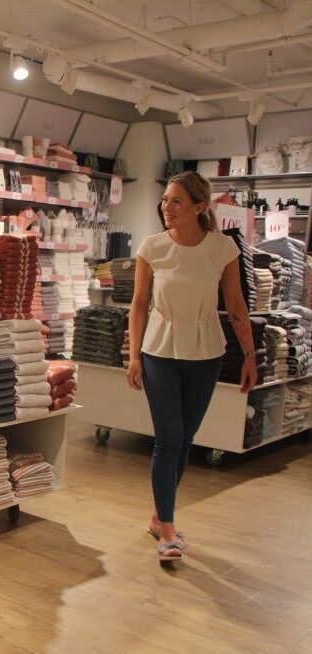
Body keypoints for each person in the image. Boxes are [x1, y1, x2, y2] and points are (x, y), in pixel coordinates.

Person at [127, 171, 257, 563]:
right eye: (165, 199)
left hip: (206, 352)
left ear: (200, 207)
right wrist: (134, 356)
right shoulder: (152, 247)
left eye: (176, 201)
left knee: (185, 439)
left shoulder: (223, 249)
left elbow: (236, 305)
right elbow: (139, 304)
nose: (166, 207)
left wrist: (250, 356)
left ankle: (158, 516)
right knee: (168, 439)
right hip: (159, 352)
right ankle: (168, 530)